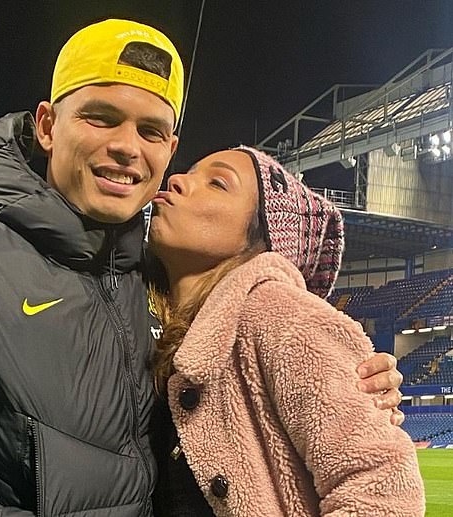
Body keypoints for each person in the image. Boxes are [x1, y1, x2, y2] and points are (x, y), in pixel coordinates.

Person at [0, 18, 404, 517]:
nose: (129, 147)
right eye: (102, 117)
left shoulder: (150, 282)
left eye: (151, 130)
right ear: (48, 126)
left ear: (168, 149)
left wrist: (356, 385)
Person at [147, 146, 425, 516]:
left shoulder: (283, 317)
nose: (178, 180)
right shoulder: (143, 314)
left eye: (217, 183)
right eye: (190, 172)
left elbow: (384, 492)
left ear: (261, 241)